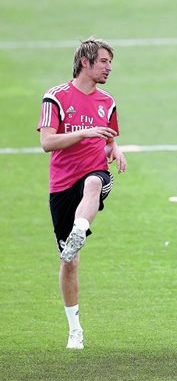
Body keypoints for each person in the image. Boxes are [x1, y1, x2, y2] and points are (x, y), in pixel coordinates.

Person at [37, 38, 127, 349]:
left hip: (95, 172)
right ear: (85, 63)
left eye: (109, 62)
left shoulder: (108, 101)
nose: (109, 67)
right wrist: (85, 132)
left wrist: (117, 149)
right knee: (70, 261)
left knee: (94, 183)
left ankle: (81, 227)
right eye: (103, 61)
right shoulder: (56, 97)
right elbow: (47, 143)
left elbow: (110, 137)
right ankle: (75, 328)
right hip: (62, 184)